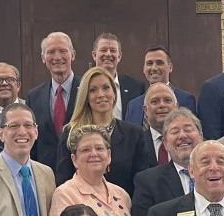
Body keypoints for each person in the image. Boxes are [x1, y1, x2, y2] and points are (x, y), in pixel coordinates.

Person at [55, 67, 156, 196]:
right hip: (81, 210)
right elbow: (63, 182)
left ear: (114, 93)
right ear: (85, 96)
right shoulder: (70, 133)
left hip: (123, 210)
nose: (101, 94)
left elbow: (141, 184)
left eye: (106, 88)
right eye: (93, 90)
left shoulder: (134, 134)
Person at [27, 32, 81, 170]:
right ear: (43, 58)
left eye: (63, 51)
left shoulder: (87, 90)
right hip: (45, 174)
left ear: (73, 55)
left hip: (80, 172)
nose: (57, 57)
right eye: (51, 52)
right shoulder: (34, 96)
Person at [125, 46, 197, 124]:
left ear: (170, 67)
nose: (154, 68)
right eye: (149, 63)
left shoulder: (186, 100)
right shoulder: (133, 105)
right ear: (144, 68)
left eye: (159, 63)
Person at [92, 33, 146, 120]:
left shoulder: (137, 88)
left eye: (113, 50)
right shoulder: (83, 86)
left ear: (119, 56)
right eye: (103, 50)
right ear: (94, 55)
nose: (108, 54)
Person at [137, 82, 178, 165]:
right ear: (145, 110)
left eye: (167, 100)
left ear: (176, 107)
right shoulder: (136, 144)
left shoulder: (189, 142)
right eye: (155, 101)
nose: (162, 105)